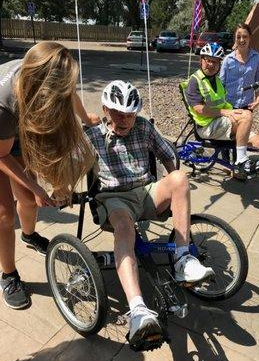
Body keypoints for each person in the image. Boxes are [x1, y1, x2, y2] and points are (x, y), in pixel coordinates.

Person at [85, 80, 214, 345]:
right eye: (118, 113)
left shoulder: (144, 126)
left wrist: (171, 185)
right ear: (106, 110)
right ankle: (138, 310)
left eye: (130, 114)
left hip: (144, 192)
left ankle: (182, 259)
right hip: (112, 198)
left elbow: (169, 155)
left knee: (179, 177)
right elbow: (71, 165)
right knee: (124, 226)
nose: (124, 119)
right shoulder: (93, 136)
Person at [0, 41, 98, 310]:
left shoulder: (50, 80)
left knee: (29, 201)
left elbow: (71, 96)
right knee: (5, 215)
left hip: (23, 121)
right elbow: (2, 155)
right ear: (42, 86)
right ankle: (8, 275)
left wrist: (88, 119)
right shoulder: (5, 103)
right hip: (2, 137)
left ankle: (29, 235)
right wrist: (38, 187)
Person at [185, 42, 259, 174]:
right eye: (208, 60)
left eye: (215, 62)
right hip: (205, 126)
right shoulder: (195, 80)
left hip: (218, 121)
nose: (211, 64)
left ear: (219, 64)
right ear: (201, 60)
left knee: (256, 133)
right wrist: (225, 112)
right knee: (246, 116)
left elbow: (223, 102)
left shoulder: (217, 81)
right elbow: (198, 109)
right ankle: (241, 159)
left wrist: (233, 111)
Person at [219, 23, 259, 161]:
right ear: (235, 38)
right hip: (229, 105)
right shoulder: (228, 60)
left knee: (242, 135)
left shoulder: (257, 58)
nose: (241, 40)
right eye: (238, 37)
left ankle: (239, 161)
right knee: (228, 137)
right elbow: (220, 84)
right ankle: (227, 163)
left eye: (245, 36)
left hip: (246, 105)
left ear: (250, 38)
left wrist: (258, 99)